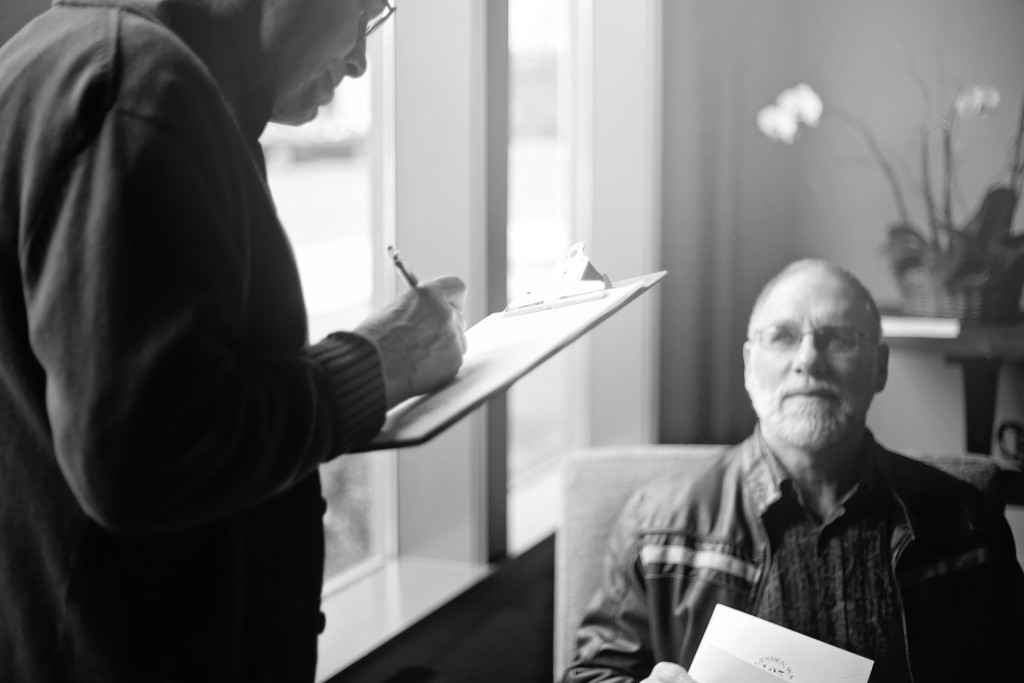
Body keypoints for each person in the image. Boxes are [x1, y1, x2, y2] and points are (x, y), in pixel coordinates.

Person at [0, 0, 468, 681]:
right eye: (363, 9)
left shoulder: (71, 58)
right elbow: (142, 453)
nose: (363, 58)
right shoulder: (137, 91)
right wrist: (376, 365)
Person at [565, 259, 1024, 683]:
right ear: (749, 365)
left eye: (839, 338)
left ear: (879, 367)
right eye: (782, 337)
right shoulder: (655, 526)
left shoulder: (970, 525)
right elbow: (592, 674)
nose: (808, 359)